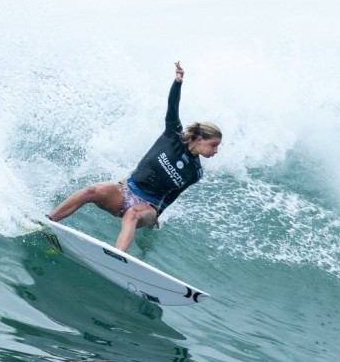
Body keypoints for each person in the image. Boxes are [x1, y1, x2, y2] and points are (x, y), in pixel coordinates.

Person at [46, 61, 222, 252]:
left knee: (132, 214)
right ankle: (48, 221)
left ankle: (117, 257)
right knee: (92, 191)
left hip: (148, 207)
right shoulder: (173, 134)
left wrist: (156, 215)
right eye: (213, 145)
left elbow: (173, 196)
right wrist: (177, 82)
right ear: (198, 138)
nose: (215, 151)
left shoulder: (195, 172)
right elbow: (172, 105)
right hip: (124, 190)